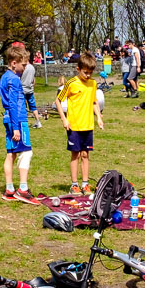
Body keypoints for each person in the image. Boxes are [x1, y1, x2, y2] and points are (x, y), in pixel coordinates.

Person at [55, 51, 103, 195]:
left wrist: (99, 117)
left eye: (90, 72)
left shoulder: (93, 84)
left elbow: (94, 102)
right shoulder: (71, 83)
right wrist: (64, 119)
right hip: (74, 126)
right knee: (75, 154)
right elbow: (58, 100)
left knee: (85, 155)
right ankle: (74, 184)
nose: (88, 75)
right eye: (85, 72)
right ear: (78, 69)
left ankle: (85, 184)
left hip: (87, 125)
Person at [0, 46, 37, 203]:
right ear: (14, 63)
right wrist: (16, 127)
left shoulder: (4, 77)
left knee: (11, 154)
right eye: (24, 64)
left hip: (8, 118)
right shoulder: (14, 80)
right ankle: (22, 189)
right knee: (26, 153)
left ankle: (9, 190)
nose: (26, 67)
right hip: (18, 120)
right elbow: (13, 104)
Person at [21, 54, 42, 128]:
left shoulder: (23, 68)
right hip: (30, 90)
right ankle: (38, 122)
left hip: (22, 90)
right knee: (33, 107)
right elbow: (33, 80)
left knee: (22, 107)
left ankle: (23, 123)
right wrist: (33, 87)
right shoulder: (32, 68)